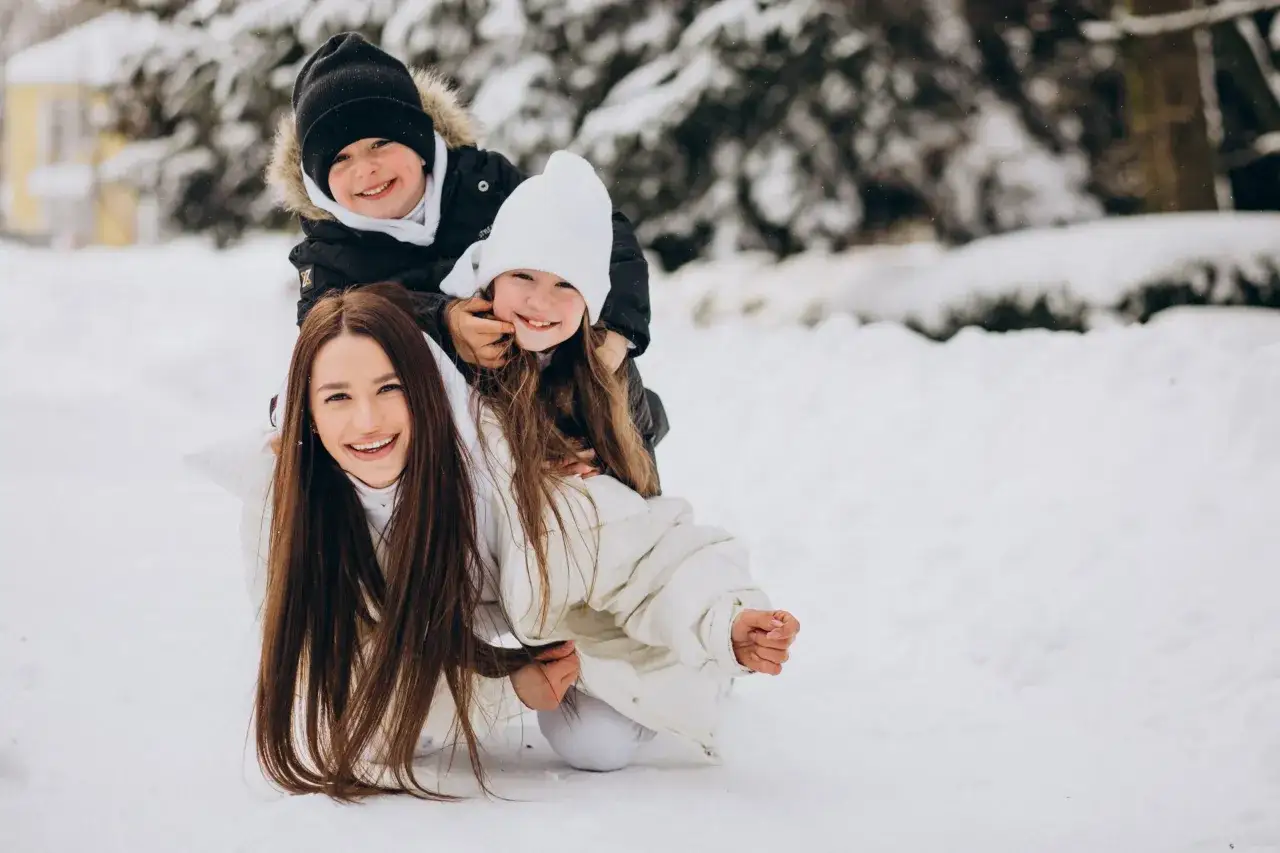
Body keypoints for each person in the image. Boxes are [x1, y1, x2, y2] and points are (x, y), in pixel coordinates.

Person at [242, 285, 799, 800]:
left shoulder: (502, 468)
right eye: (337, 397)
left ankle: (695, 671)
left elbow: (648, 558)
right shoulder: (288, 506)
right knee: (379, 738)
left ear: (427, 392)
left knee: (596, 741)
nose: (367, 421)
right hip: (445, 643)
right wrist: (507, 687)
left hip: (565, 613)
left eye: (390, 388)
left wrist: (725, 621)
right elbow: (331, 683)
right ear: (306, 413)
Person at [264, 32, 666, 446]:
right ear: (320, 181)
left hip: (550, 392)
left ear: (418, 141)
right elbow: (328, 337)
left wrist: (617, 331)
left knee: (608, 380)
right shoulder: (327, 256)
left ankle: (607, 460)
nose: (366, 169)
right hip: (445, 435)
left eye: (381, 143)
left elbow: (596, 226)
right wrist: (441, 322)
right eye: (341, 158)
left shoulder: (484, 184)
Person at [435, 149, 665, 482]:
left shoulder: (609, 365)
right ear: (491, 280)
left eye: (565, 284)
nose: (540, 301)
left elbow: (646, 485)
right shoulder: (457, 358)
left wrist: (604, 476)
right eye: (522, 276)